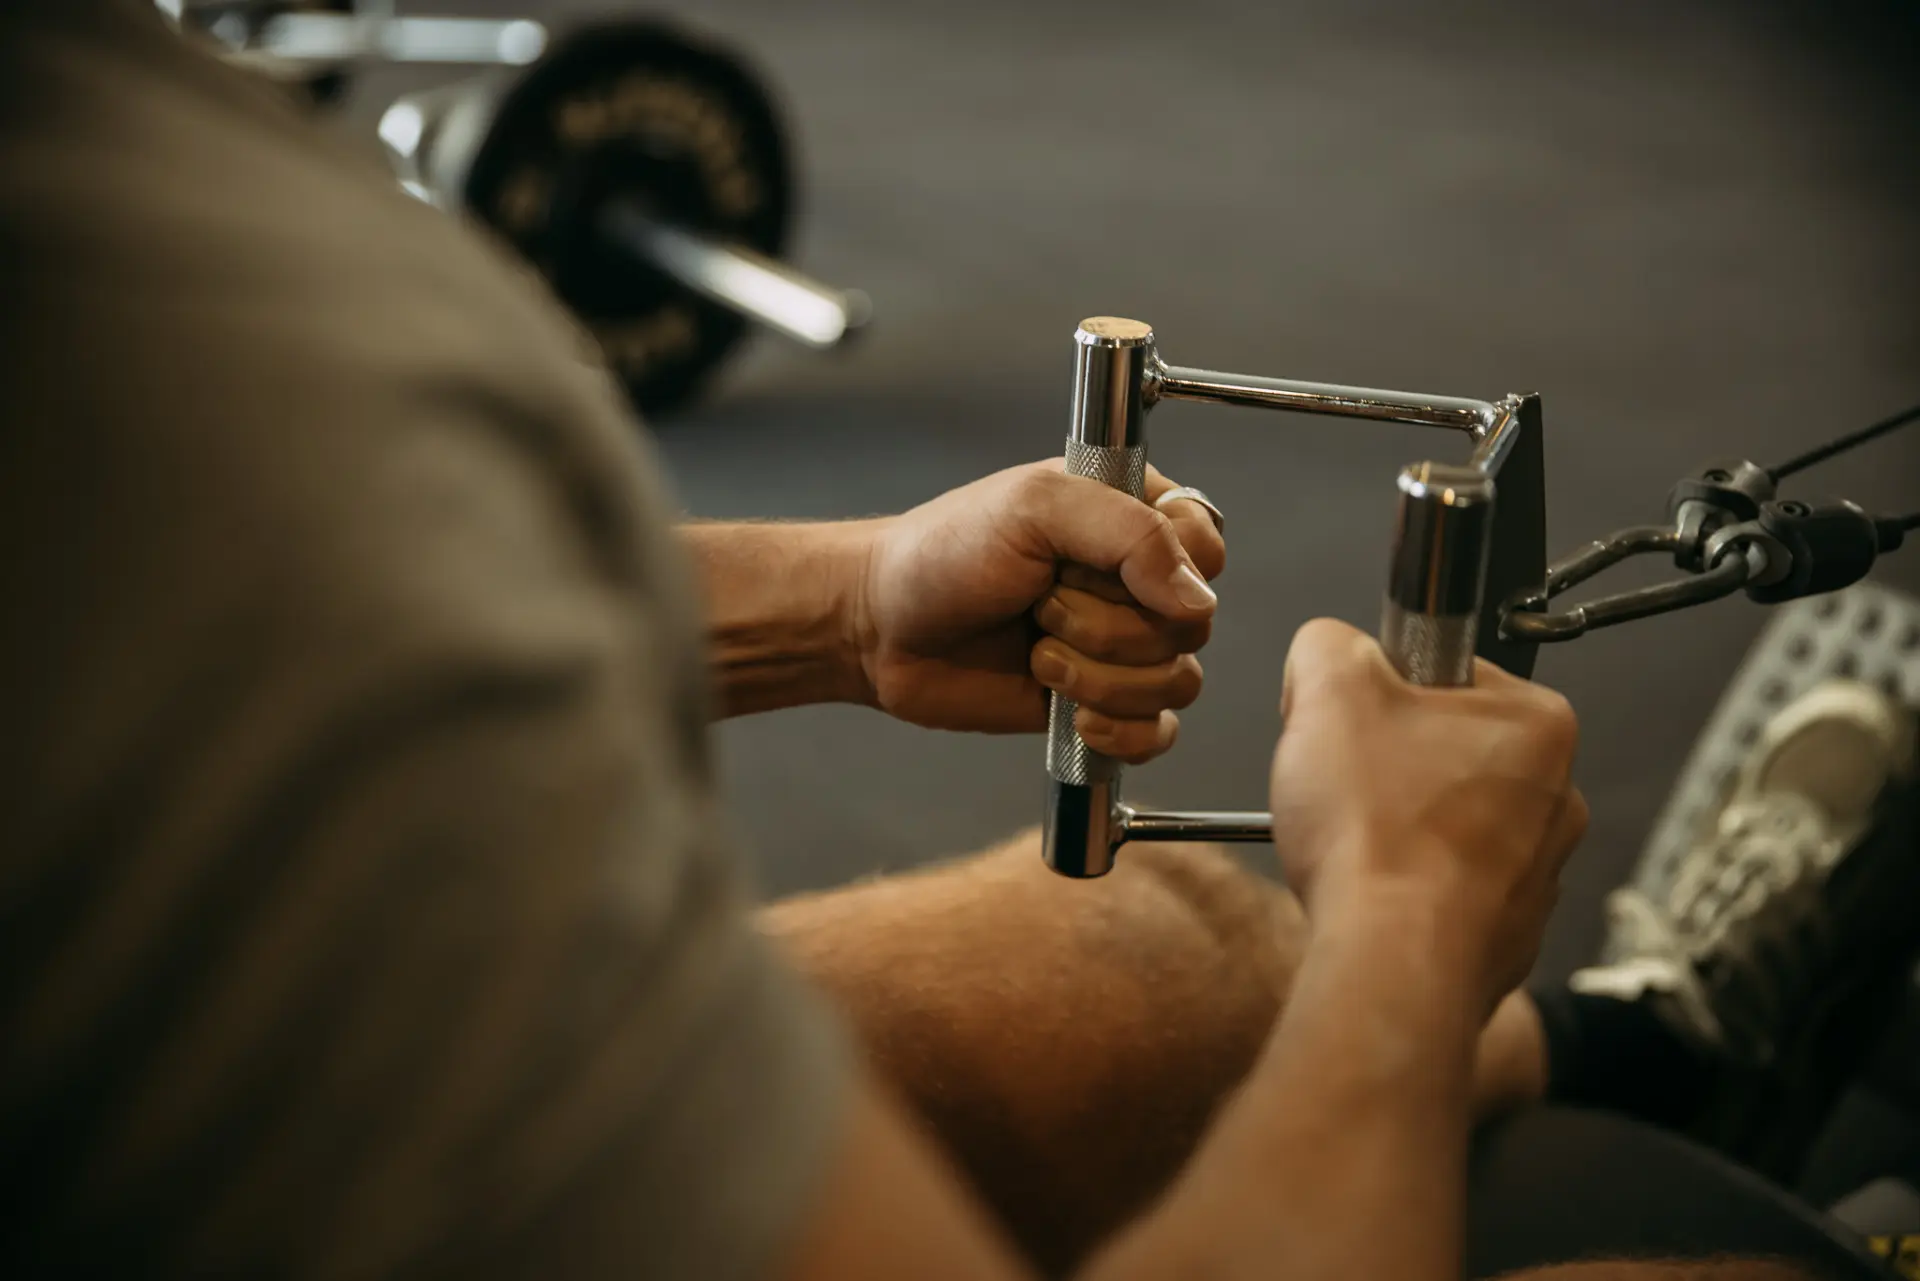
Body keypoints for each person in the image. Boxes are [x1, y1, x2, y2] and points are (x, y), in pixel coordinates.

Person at [0, 3, 1908, 1280]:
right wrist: (1406, 938)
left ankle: (1648, 1042)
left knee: (1138, 968)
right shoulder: (152, 308)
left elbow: (199, 641)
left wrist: (835, 605)